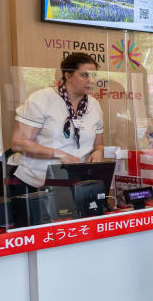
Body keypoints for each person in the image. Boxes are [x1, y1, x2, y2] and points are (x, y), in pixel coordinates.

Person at [10, 52, 104, 195]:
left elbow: (99, 144)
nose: (91, 80)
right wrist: (58, 154)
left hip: (75, 182)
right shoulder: (41, 99)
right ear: (68, 75)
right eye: (84, 75)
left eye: (94, 76)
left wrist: (98, 152)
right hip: (35, 182)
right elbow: (18, 143)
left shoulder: (94, 105)